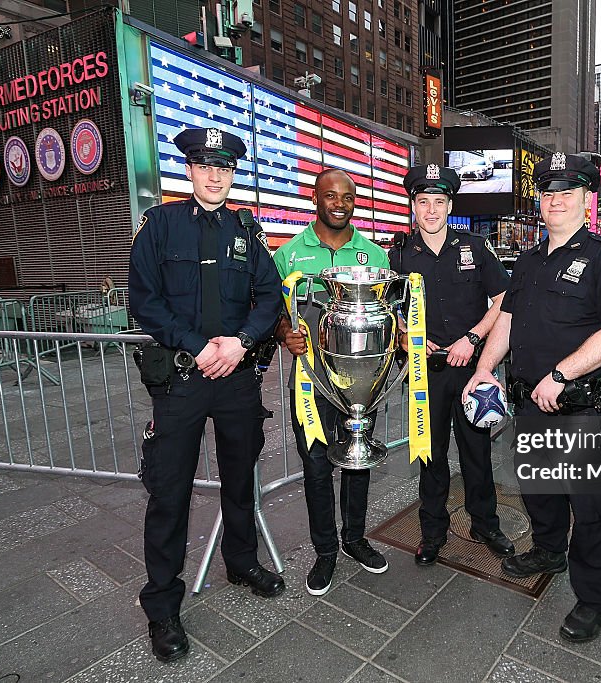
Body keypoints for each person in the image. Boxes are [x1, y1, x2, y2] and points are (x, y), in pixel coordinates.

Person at [462, 152, 601, 643]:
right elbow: (507, 321)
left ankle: (595, 598)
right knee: (539, 490)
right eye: (548, 193)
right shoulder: (526, 262)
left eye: (567, 192)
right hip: (530, 403)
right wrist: (483, 370)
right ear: (540, 204)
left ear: (587, 200)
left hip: (582, 405)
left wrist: (562, 375)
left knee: (591, 509)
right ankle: (548, 550)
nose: (556, 200)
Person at [128, 127, 284, 663]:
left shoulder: (247, 227)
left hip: (237, 377)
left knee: (240, 480)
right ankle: (163, 608)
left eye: (224, 166)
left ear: (233, 172)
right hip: (183, 379)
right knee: (168, 493)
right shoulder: (160, 225)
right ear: (189, 170)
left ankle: (241, 563)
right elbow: (144, 301)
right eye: (204, 165)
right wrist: (198, 347)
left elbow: (270, 296)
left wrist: (240, 343)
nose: (215, 174)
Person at [389, 164, 515, 565]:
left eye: (438, 202)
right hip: (426, 373)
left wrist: (473, 338)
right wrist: (406, 337)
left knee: (476, 451)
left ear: (450, 205)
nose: (430, 210)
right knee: (431, 454)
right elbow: (389, 310)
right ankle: (432, 531)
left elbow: (502, 300)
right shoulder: (399, 255)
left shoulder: (475, 247)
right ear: (412, 205)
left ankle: (485, 523)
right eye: (423, 201)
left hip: (471, 369)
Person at [272, 169, 390, 596]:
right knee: (317, 468)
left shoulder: (374, 256)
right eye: (331, 196)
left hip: (362, 383)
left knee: (359, 461)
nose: (339, 204)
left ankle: (355, 538)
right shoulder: (288, 256)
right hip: (311, 384)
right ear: (316, 199)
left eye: (348, 197)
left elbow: (391, 316)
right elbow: (272, 308)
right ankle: (325, 552)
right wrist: (284, 331)